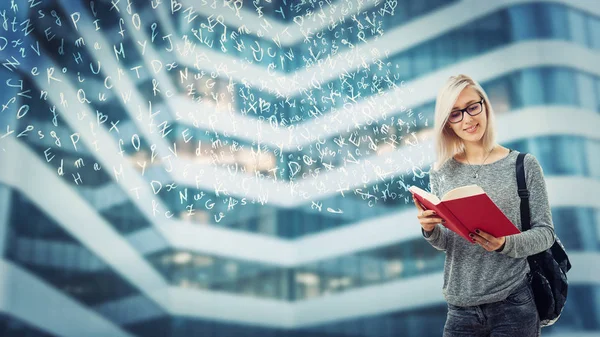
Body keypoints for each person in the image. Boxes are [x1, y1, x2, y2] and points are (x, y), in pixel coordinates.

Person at [413, 74, 555, 337]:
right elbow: (448, 242)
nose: (467, 119)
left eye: (472, 107)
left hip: (513, 303)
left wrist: (504, 243)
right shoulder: (442, 171)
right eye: (455, 114)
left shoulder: (523, 165)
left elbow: (545, 233)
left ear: (485, 106)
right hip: (459, 307)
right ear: (448, 124)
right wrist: (430, 229)